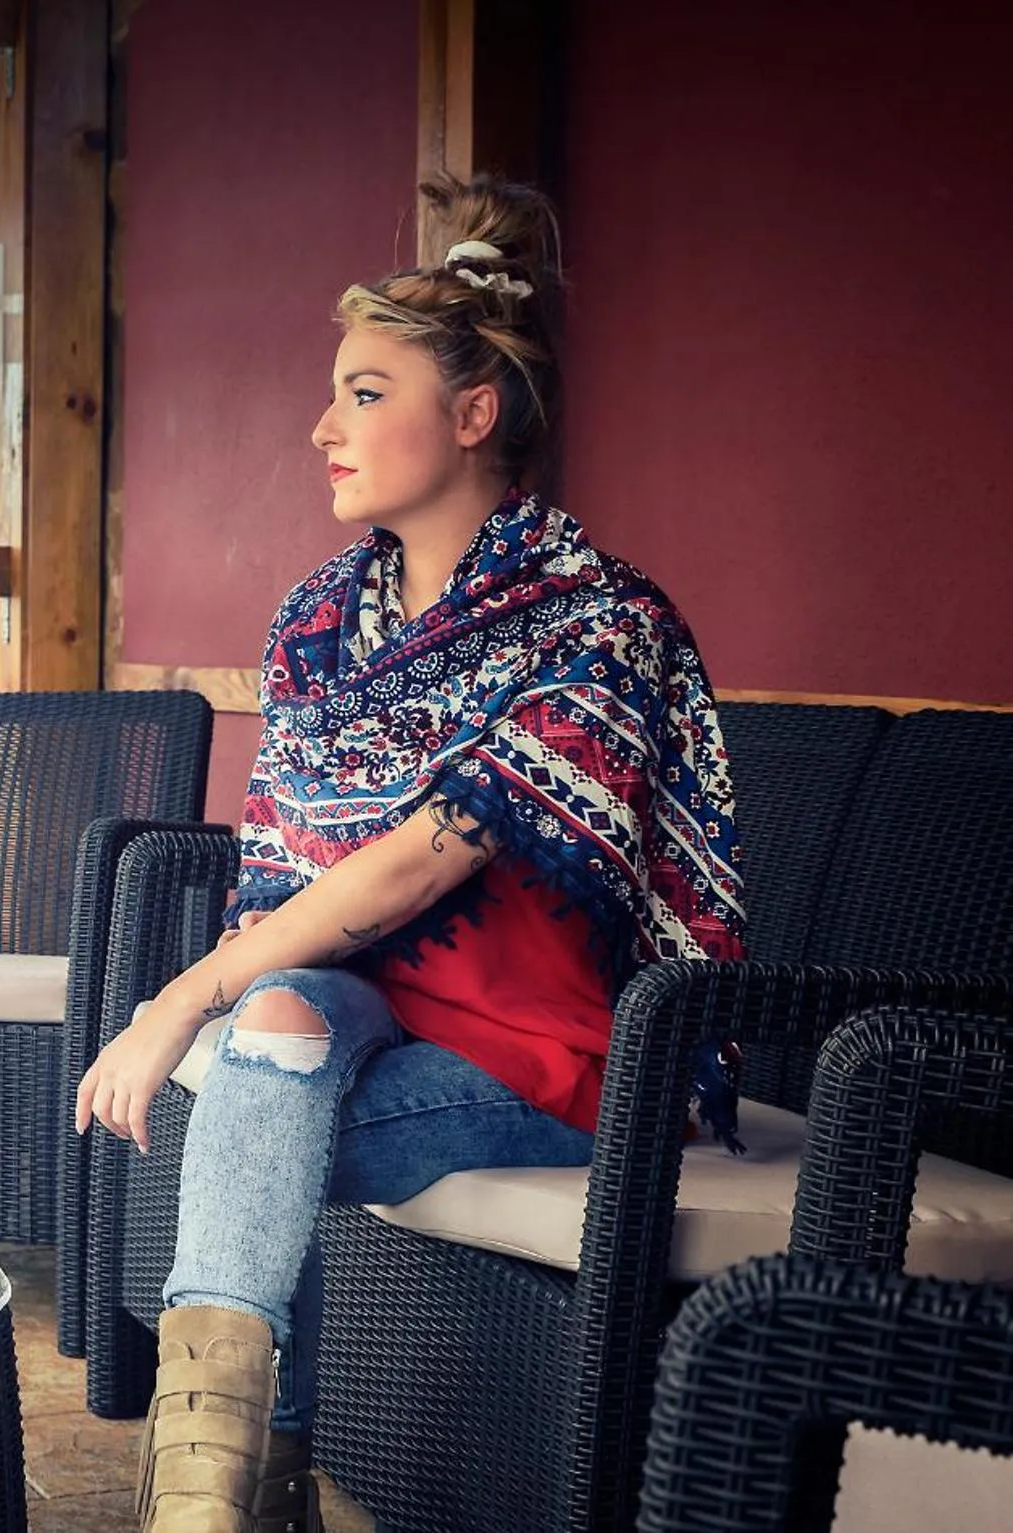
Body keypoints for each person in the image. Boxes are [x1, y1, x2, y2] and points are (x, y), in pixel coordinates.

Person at [74, 176, 747, 1533]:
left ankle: (222, 1502)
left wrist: (169, 1002)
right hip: (355, 1006)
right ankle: (220, 1505)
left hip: (532, 1052)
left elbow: (421, 861)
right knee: (277, 1021)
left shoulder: (597, 623)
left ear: (474, 414)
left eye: (366, 393)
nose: (324, 427)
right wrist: (226, 989)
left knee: (255, 1080)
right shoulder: (322, 619)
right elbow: (289, 871)